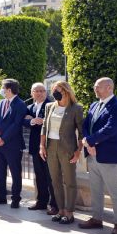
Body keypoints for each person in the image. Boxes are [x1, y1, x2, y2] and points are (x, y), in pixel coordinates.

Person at [79, 77, 117, 234]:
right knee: (95, 190)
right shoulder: (94, 104)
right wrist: (88, 143)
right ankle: (97, 219)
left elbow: (110, 128)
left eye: (98, 87)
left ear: (109, 88)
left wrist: (90, 141)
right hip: (93, 155)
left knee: (115, 192)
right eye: (95, 87)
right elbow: (86, 125)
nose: (95, 89)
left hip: (110, 156)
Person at [39, 81, 83, 224]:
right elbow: (44, 127)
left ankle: (69, 213)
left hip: (67, 148)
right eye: (53, 90)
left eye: (57, 90)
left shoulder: (76, 108)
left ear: (66, 91)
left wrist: (78, 152)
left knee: (70, 181)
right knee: (55, 181)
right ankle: (61, 210)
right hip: (51, 146)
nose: (55, 93)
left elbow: (82, 132)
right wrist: (42, 146)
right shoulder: (49, 106)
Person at [0, 79, 27, 208]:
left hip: (13, 145)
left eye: (3, 87)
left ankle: (16, 199)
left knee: (15, 172)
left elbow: (16, 125)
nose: (2, 90)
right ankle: (1, 196)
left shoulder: (20, 104)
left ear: (9, 89)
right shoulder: (1, 103)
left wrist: (3, 139)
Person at [24, 83, 57, 214]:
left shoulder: (52, 105)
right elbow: (23, 120)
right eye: (36, 91)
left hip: (48, 146)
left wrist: (42, 121)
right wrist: (32, 121)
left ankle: (54, 204)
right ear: (32, 93)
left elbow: (54, 121)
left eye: (42, 91)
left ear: (46, 92)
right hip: (34, 146)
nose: (39, 93)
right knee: (39, 176)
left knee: (50, 177)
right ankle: (41, 202)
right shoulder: (30, 107)